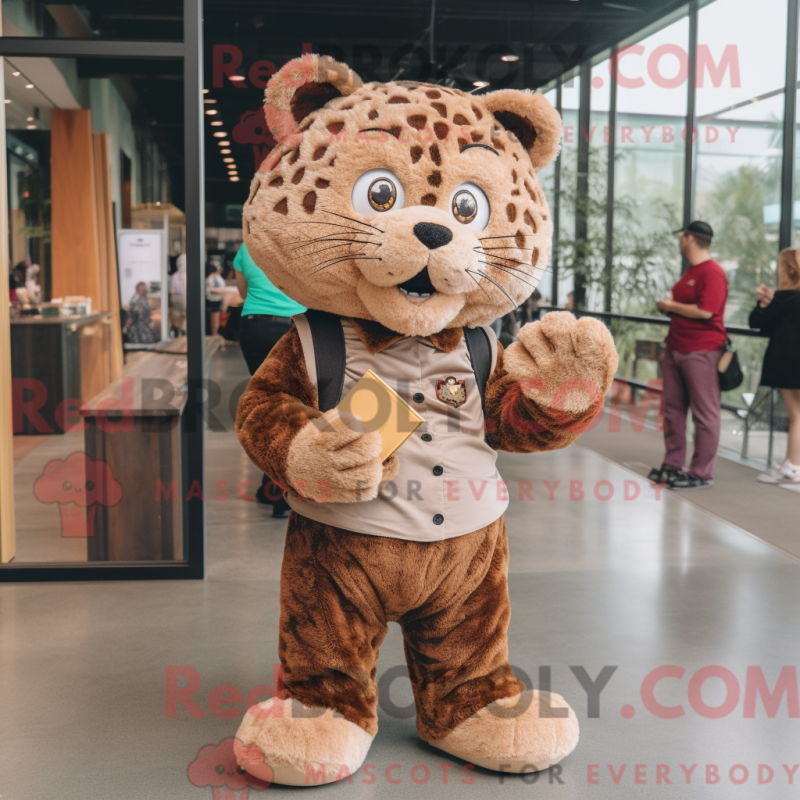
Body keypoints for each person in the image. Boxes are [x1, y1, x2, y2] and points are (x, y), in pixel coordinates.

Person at [649, 221, 728, 489]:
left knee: (704, 414)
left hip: (701, 350)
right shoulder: (691, 270)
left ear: (690, 239)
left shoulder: (712, 271)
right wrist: (670, 307)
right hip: (675, 347)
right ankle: (673, 464)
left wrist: (671, 305)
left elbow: (706, 311)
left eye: (682, 236)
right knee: (672, 411)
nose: (680, 241)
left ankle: (701, 472)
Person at [233, 242, 306, 515]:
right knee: (291, 407)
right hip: (295, 325)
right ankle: (279, 489)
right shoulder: (301, 243)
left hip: (255, 326)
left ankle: (270, 484)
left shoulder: (247, 247)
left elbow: (243, 292)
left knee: (268, 404)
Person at [750, 248, 800, 485]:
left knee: (796, 416)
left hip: (787, 365)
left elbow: (757, 322)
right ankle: (791, 463)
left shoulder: (783, 297)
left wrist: (762, 303)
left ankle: (792, 467)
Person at [206, 262, 227, 336]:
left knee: (213, 318)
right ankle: (215, 334)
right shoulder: (218, 278)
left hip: (210, 300)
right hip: (217, 300)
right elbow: (223, 289)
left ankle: (214, 334)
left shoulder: (209, 278)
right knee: (216, 319)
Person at [169, 254, 187, 337]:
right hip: (180, 298)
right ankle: (181, 331)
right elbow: (172, 290)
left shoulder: (175, 276)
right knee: (180, 316)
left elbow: (172, 290)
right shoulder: (177, 276)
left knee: (180, 316)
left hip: (179, 297)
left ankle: (181, 331)